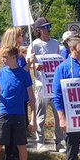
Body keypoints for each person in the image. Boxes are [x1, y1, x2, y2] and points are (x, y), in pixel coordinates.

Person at [26, 18, 64, 152]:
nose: (48, 30)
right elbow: (28, 64)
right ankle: (40, 141)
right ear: (38, 30)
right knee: (40, 113)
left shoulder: (55, 44)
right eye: (45, 27)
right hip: (41, 84)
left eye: (49, 27)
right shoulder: (34, 45)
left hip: (54, 84)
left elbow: (60, 60)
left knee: (58, 112)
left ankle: (59, 142)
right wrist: (35, 65)